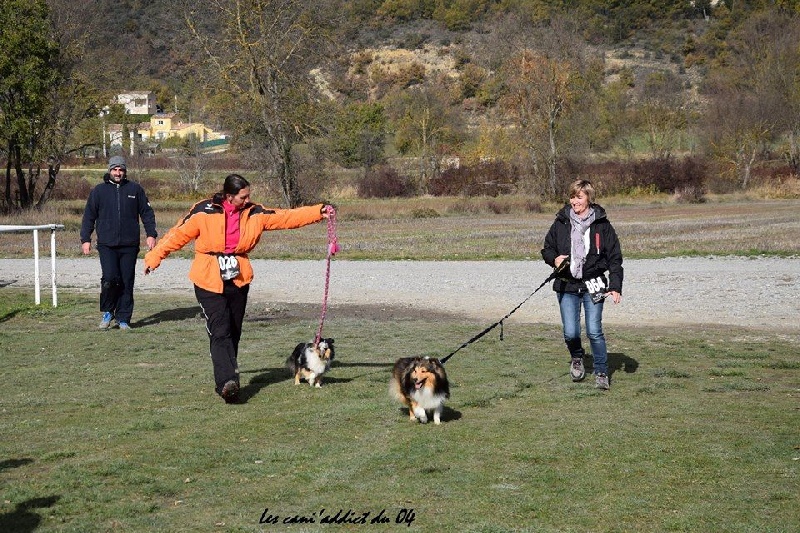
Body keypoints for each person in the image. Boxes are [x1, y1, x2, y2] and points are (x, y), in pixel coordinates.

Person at [143, 174, 331, 404]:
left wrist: (318, 211)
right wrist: (154, 257)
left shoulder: (254, 213)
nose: (248, 199)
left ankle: (227, 375)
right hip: (207, 278)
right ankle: (227, 383)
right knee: (219, 328)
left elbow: (286, 217)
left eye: (249, 195)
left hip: (238, 278)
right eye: (244, 196)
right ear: (229, 196)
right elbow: (177, 235)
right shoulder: (203, 211)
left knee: (233, 330)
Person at [541, 179, 623, 390]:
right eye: (572, 197)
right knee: (571, 332)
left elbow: (615, 258)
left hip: (594, 284)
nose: (574, 201)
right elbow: (547, 249)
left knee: (594, 331)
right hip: (567, 285)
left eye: (579, 197)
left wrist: (615, 285)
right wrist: (554, 259)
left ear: (588, 198)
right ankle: (577, 358)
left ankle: (602, 371)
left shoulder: (602, 224)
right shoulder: (561, 221)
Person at [81, 155, 157, 330]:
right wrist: (86, 239)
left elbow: (147, 213)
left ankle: (123, 318)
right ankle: (108, 311)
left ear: (125, 171)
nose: (118, 173)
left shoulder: (135, 189)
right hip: (106, 243)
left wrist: (151, 234)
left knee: (126, 280)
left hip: (129, 244)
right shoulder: (99, 191)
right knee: (109, 278)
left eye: (121, 170)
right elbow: (89, 217)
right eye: (115, 169)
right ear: (109, 170)